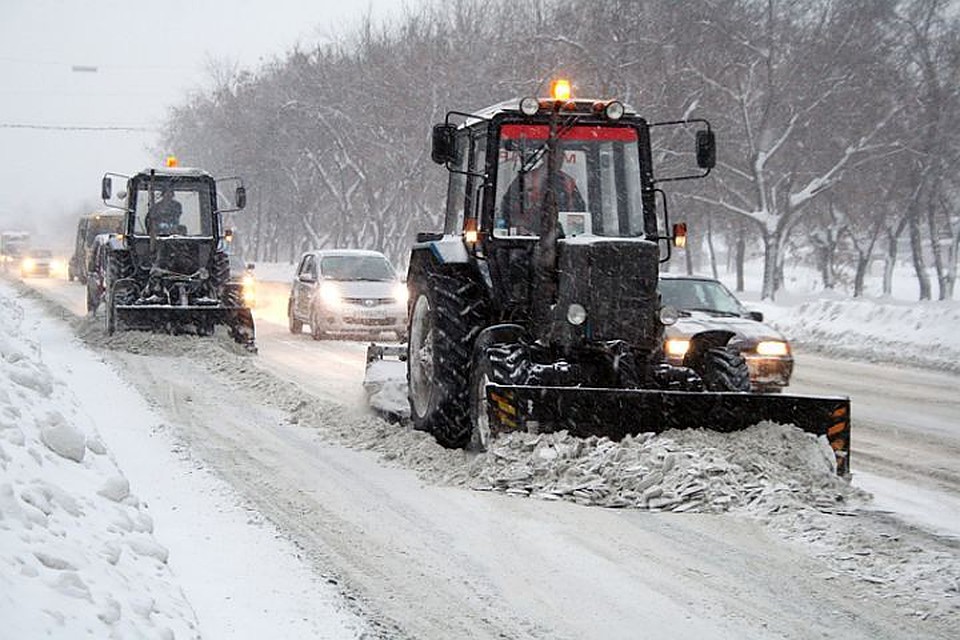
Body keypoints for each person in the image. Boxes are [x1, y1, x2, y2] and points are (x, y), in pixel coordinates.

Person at [500, 150, 586, 235]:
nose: (558, 160)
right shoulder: (526, 180)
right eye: (554, 156)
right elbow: (508, 208)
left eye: (561, 157)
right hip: (528, 238)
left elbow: (579, 212)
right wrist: (518, 226)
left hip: (561, 237)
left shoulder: (568, 182)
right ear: (544, 158)